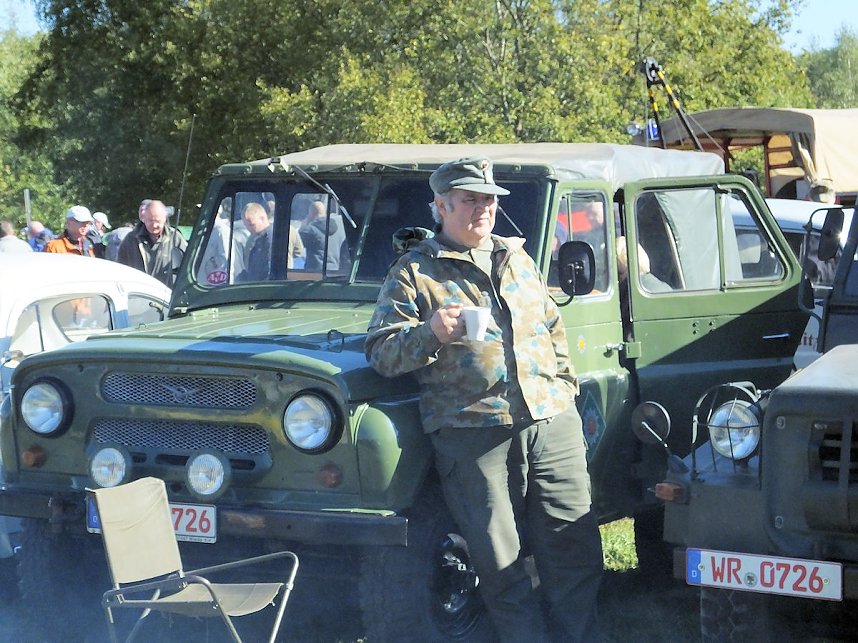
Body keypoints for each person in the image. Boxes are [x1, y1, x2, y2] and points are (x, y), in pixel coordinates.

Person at [365, 157, 602, 642]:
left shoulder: (518, 258)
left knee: (572, 546)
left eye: (489, 199)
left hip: (550, 421)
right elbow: (381, 352)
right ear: (441, 206)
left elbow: (552, 326)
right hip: (473, 432)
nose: (483, 209)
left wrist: (565, 390)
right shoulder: (414, 272)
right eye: (470, 199)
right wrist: (430, 333)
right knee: (499, 559)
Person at [117, 199, 187, 286]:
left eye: (157, 221)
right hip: (138, 294)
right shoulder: (131, 240)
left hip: (165, 295)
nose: (154, 225)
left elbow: (187, 267)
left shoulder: (175, 238)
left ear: (164, 218)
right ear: (143, 219)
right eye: (150, 221)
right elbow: (120, 269)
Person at [237, 202, 273, 281]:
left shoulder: (272, 238)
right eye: (246, 225)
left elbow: (271, 270)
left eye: (252, 224)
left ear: (262, 218)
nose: (248, 229)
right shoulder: (253, 237)